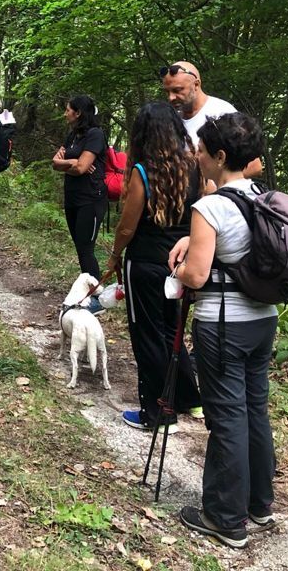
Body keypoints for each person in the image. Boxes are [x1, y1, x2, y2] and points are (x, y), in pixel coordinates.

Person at [169, 112, 277, 550]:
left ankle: (224, 518)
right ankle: (259, 504)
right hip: (263, 320)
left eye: (200, 150)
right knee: (254, 410)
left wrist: (177, 266)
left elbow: (196, 276)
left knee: (228, 417)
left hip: (223, 325)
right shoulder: (263, 198)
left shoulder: (210, 207)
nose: (195, 156)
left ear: (218, 155)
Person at [105, 102, 203, 433]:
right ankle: (187, 396)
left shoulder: (144, 171)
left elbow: (127, 225)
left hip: (145, 262)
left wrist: (115, 254)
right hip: (178, 263)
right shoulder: (194, 167)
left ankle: (157, 412)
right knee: (172, 330)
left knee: (147, 334)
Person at [161, 62, 262, 177]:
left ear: (196, 85)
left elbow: (254, 166)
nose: (171, 97)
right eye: (167, 92)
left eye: (177, 90)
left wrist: (216, 184)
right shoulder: (168, 120)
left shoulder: (221, 112)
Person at [51, 95, 107, 278]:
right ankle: (87, 285)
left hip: (91, 199)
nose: (65, 114)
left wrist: (71, 164)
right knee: (79, 246)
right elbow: (55, 163)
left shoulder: (95, 134)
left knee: (85, 248)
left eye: (68, 110)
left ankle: (94, 290)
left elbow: (81, 168)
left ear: (78, 113)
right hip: (72, 198)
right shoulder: (73, 135)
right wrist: (72, 162)